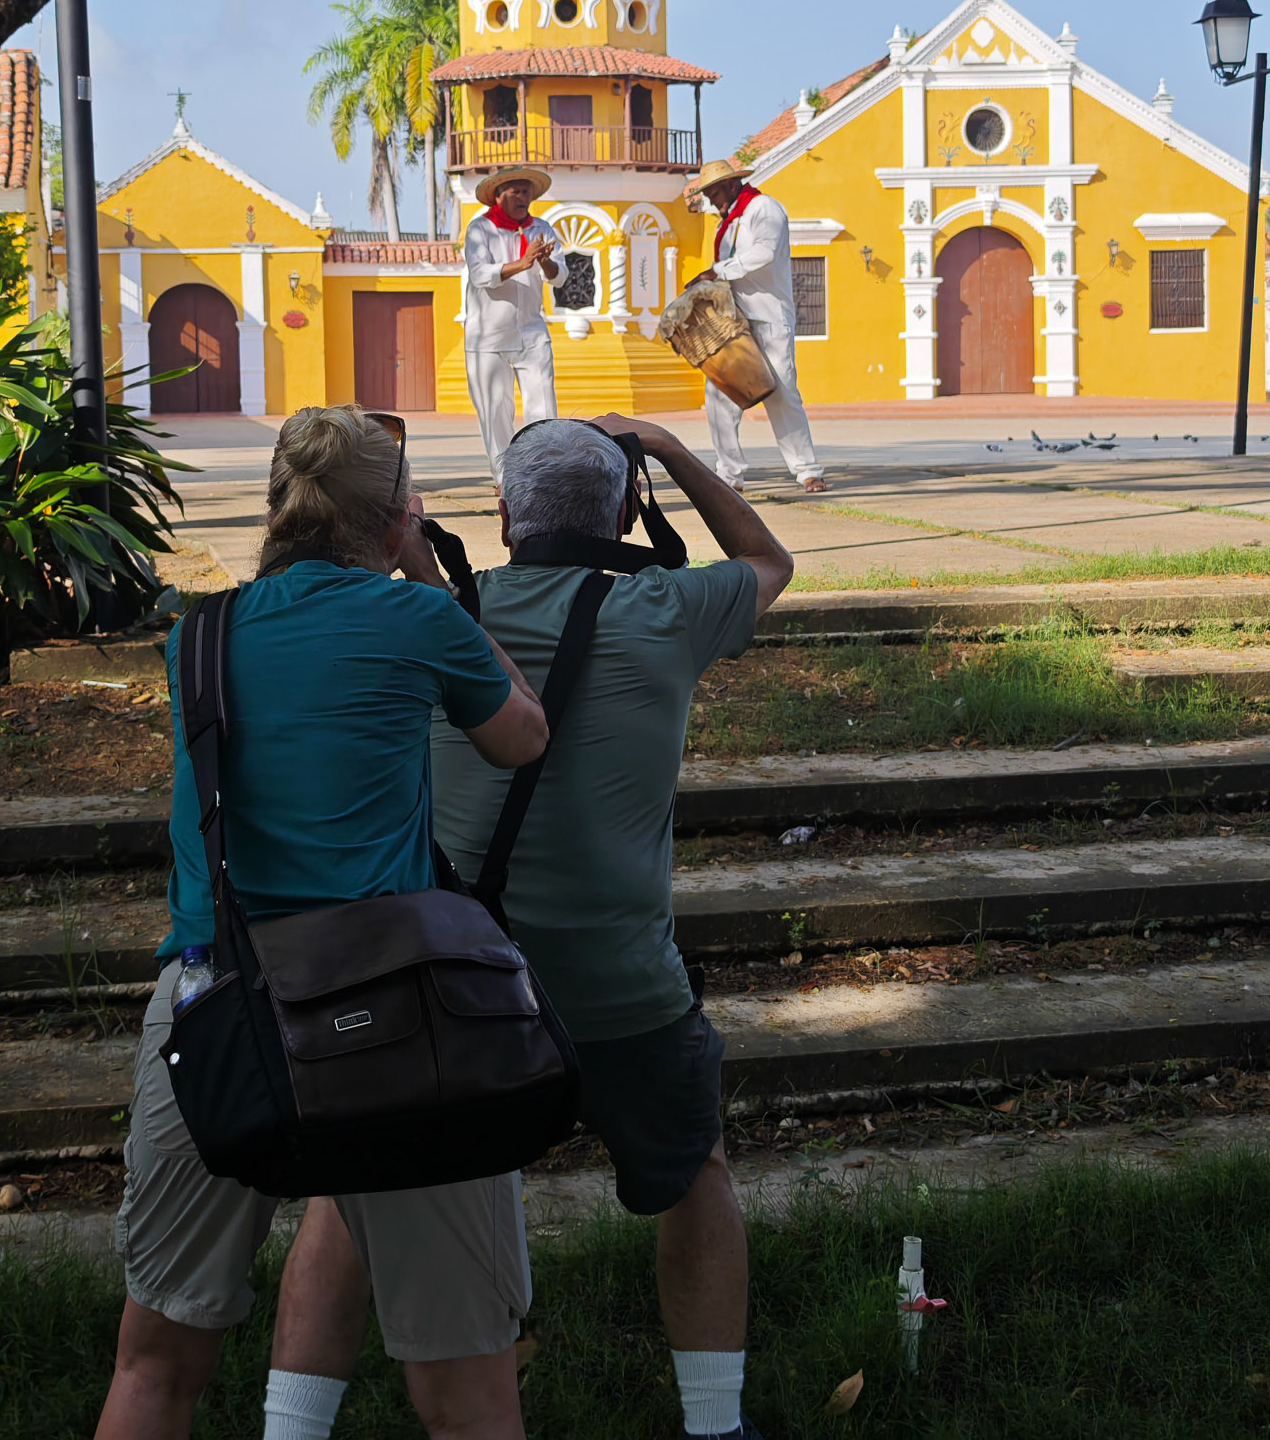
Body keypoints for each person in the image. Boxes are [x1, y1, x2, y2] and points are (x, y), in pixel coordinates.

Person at [94, 405, 549, 1440]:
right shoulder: (419, 618)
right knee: (467, 1389)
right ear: (395, 518)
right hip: (397, 1018)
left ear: (277, 509)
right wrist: (430, 580)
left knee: (155, 1361)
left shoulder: (198, 636)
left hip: (217, 1006)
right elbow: (522, 736)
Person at [432, 415, 793, 1440]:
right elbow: (769, 560)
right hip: (624, 988)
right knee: (695, 1174)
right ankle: (713, 1426)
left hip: (467, 984)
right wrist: (670, 450)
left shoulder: (441, 619)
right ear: (629, 514)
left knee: (397, 1187)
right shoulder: (670, 608)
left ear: (503, 515)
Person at [691, 159, 827, 494]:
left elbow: (764, 252)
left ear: (731, 185)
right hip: (734, 321)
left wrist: (717, 271)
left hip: (769, 317)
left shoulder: (764, 209)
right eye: (707, 195)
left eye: (714, 193)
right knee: (719, 393)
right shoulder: (729, 223)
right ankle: (729, 474)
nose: (711, 201)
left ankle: (807, 470)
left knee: (782, 393)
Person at [463, 165, 566, 482]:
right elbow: (480, 275)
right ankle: (505, 480)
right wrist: (523, 262)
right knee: (495, 411)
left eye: (526, 191)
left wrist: (544, 261)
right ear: (498, 197)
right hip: (488, 338)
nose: (522, 197)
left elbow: (560, 277)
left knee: (544, 409)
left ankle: (543, 475)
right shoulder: (479, 229)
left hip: (532, 333)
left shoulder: (542, 228)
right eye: (515, 191)